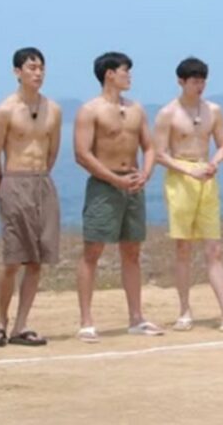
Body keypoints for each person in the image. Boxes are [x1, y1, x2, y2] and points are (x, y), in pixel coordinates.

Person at [153, 58, 223, 333]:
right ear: (181, 82)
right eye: (194, 81)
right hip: (180, 178)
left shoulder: (214, 110)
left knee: (214, 248)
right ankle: (184, 310)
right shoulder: (167, 113)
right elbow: (160, 154)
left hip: (206, 176)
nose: (199, 86)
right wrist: (188, 170)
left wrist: (214, 162)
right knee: (183, 247)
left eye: (202, 81)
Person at [74, 52, 163, 342]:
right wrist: (114, 180)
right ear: (109, 73)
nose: (129, 76)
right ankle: (86, 321)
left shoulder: (136, 109)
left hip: (133, 184)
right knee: (92, 251)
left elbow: (150, 147)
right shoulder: (90, 110)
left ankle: (136, 317)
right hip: (104, 185)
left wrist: (145, 173)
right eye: (125, 70)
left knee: (132, 251)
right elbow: (82, 154)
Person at [0, 47, 63, 348]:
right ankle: (0, 321)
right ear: (17, 71)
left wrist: (39, 179)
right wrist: (3, 190)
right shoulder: (5, 110)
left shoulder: (53, 110)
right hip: (13, 182)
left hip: (41, 181)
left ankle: (21, 324)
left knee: (36, 260)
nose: (37, 73)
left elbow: (52, 151)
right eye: (31, 67)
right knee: (12, 259)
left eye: (41, 67)